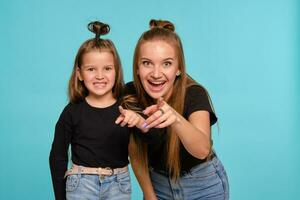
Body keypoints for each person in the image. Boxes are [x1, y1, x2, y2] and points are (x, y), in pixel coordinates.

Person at [122, 19, 229, 200]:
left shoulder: (195, 93)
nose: (156, 74)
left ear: (178, 68)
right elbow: (135, 150)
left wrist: (175, 118)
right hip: (159, 185)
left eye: (167, 63)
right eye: (147, 63)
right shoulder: (130, 95)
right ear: (137, 68)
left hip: (203, 184)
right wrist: (149, 193)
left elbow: (202, 149)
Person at [49, 21, 144, 200]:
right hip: (81, 185)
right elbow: (57, 155)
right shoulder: (72, 111)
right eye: (91, 69)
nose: (100, 76)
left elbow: (151, 136)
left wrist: (139, 121)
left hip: (119, 185)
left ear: (116, 71)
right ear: (79, 74)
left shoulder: (128, 107)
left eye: (107, 68)